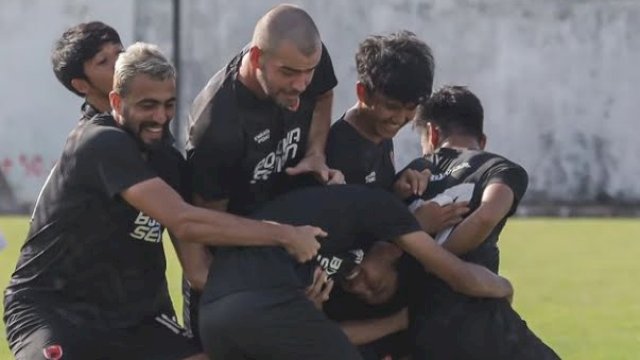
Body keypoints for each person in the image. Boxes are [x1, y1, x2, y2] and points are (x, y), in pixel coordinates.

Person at [3, 42, 324, 360]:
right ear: (116, 101)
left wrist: (284, 293)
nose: (160, 117)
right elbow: (184, 220)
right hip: (57, 309)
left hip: (137, 320)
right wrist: (284, 234)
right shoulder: (99, 141)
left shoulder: (169, 161)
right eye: (147, 105)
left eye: (168, 104)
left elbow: (198, 271)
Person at [198, 184, 514, 360]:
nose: (361, 287)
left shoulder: (338, 255)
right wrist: (503, 287)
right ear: (394, 250)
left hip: (215, 317)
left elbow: (333, 336)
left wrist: (398, 321)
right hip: (253, 304)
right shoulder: (379, 209)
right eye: (378, 286)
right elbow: (458, 275)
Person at [183, 4, 343, 344]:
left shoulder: (306, 60)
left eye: (308, 71)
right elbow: (212, 229)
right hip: (229, 272)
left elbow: (324, 92)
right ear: (257, 58)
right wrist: (280, 252)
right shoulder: (217, 127)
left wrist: (316, 152)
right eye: (288, 73)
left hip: (285, 248)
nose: (301, 84)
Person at [399, 85, 559, 359]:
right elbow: (486, 214)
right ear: (482, 139)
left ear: (433, 133)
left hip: (415, 324)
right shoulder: (500, 168)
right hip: (480, 318)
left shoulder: (409, 175)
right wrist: (442, 263)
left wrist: (421, 257)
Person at [325, 30, 432, 197]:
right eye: (391, 106)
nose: (399, 118)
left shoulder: (381, 133)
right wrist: (419, 222)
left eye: (411, 108)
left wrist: (398, 189)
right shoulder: (338, 151)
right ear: (363, 92)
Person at [51, 21, 123, 122]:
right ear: (81, 85)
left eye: (120, 52)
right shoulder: (101, 135)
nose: (120, 63)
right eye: (103, 61)